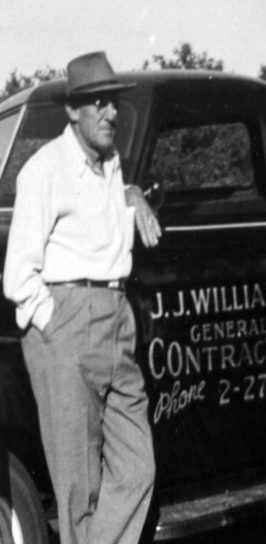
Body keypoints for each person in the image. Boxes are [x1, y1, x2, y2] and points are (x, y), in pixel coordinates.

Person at [3, 52, 161, 544]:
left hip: (117, 319)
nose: (110, 112)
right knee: (78, 489)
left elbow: (107, 204)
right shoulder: (44, 170)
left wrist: (132, 193)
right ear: (73, 111)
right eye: (97, 103)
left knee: (138, 467)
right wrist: (55, 326)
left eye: (113, 102)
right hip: (67, 326)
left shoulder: (111, 165)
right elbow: (17, 275)